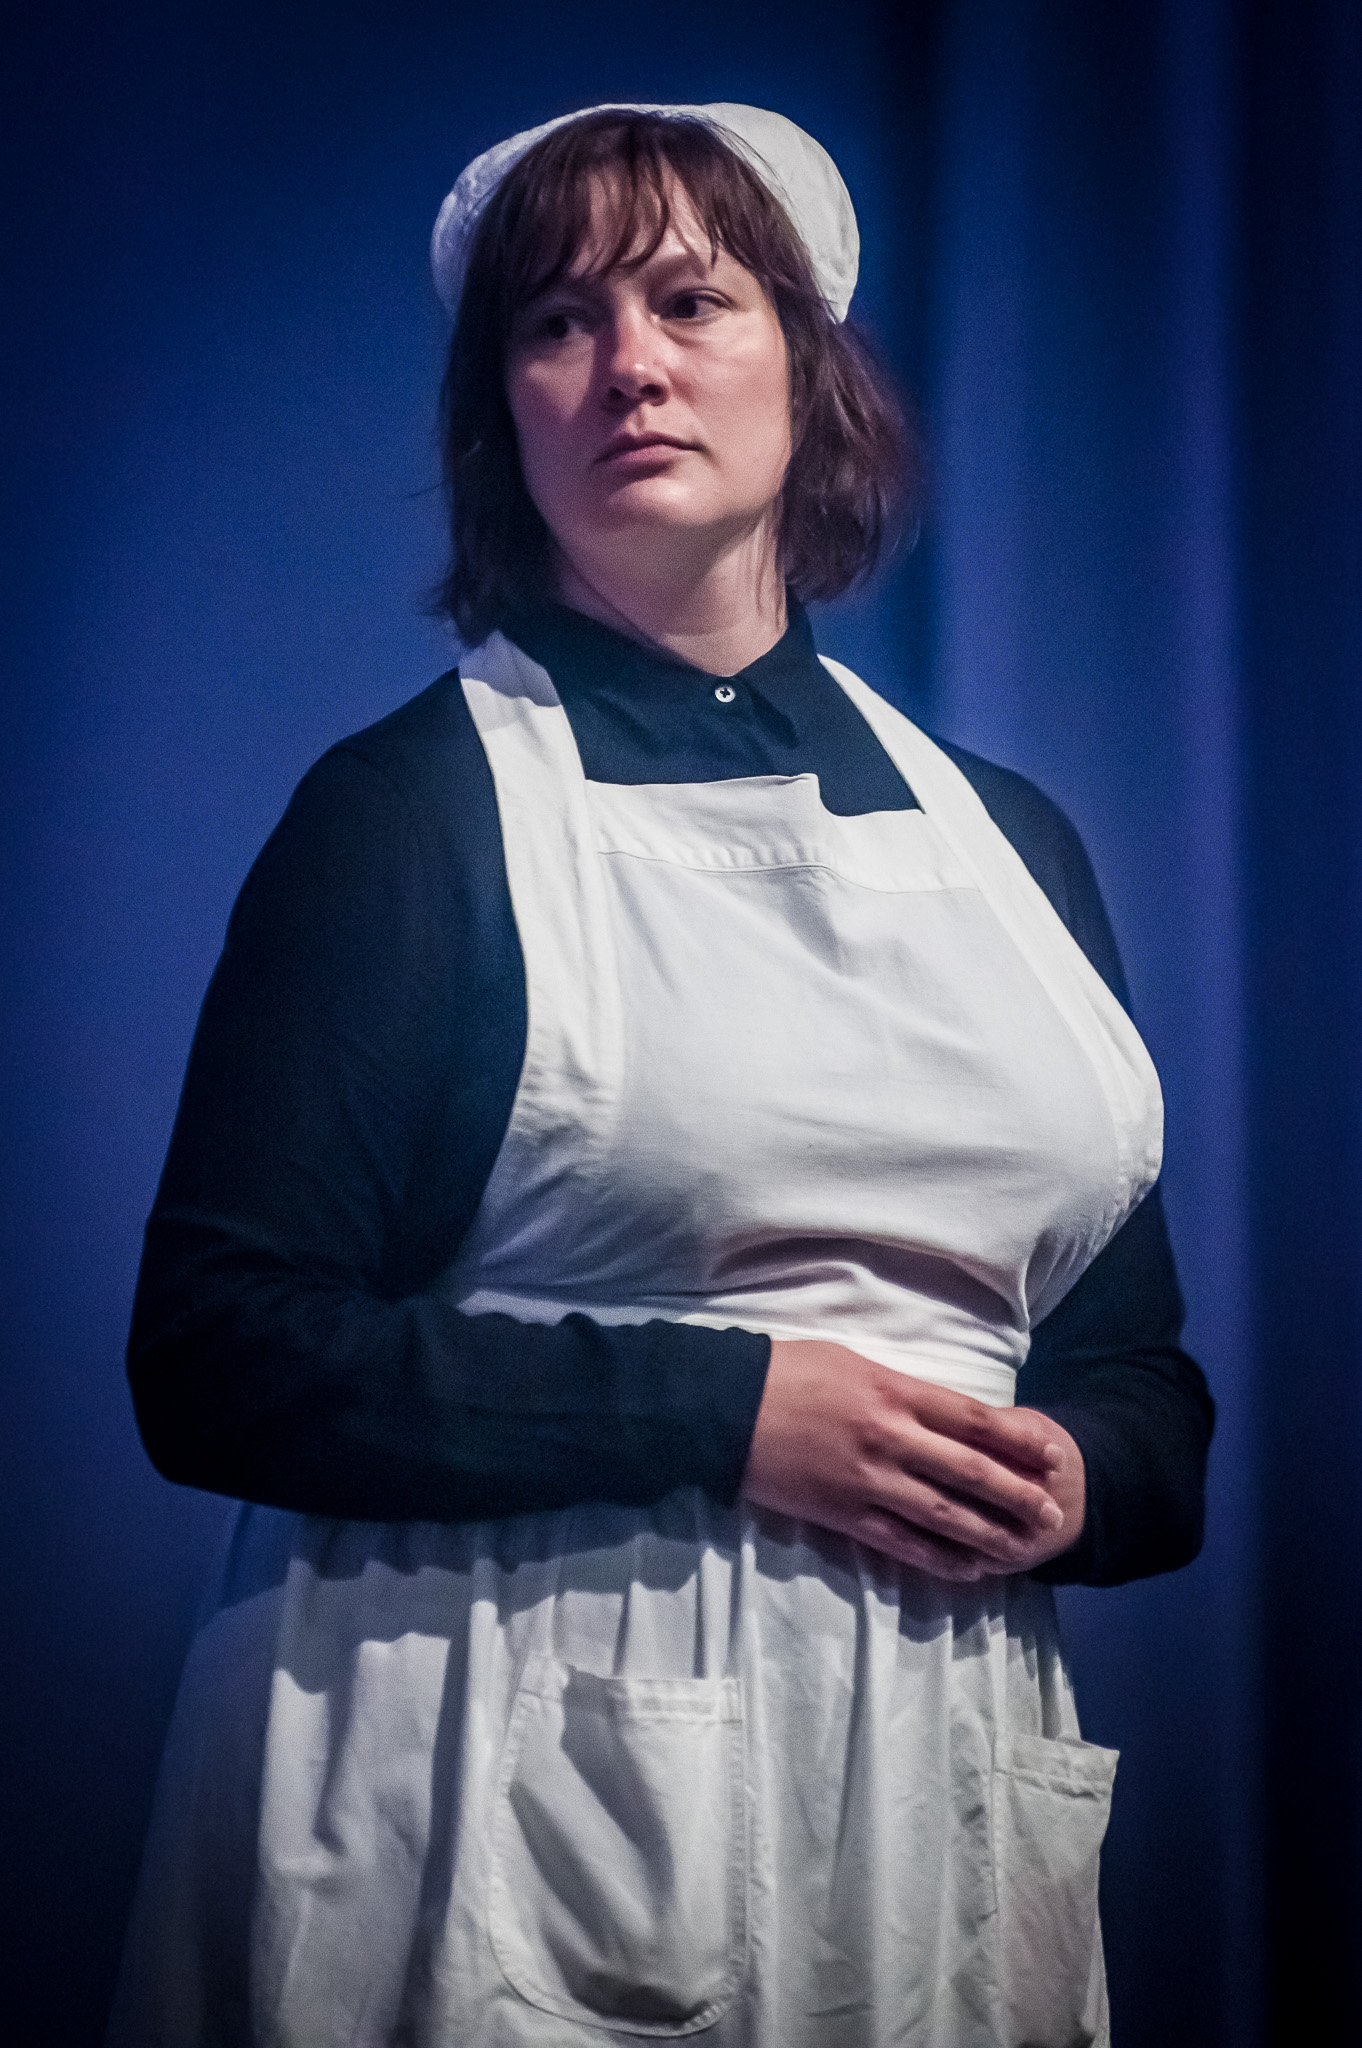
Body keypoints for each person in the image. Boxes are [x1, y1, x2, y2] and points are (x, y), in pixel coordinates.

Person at [109, 103, 1213, 2048]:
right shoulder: (415, 814)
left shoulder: (1009, 842)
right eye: (559, 321)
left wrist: (1078, 1479)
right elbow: (220, 1351)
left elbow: (1138, 1375)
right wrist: (734, 1409)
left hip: (930, 1767)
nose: (628, 362)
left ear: (809, 365)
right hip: (498, 1752)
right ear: (502, 414)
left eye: (690, 302)